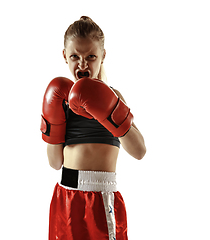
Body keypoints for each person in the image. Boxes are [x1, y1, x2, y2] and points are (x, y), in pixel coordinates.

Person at [40, 16, 146, 240]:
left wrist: (109, 111)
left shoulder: (113, 97)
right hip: (65, 196)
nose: (82, 64)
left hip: (100, 196)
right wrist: (51, 119)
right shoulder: (61, 99)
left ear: (103, 56)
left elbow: (139, 151)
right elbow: (55, 163)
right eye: (74, 57)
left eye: (91, 56)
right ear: (64, 56)